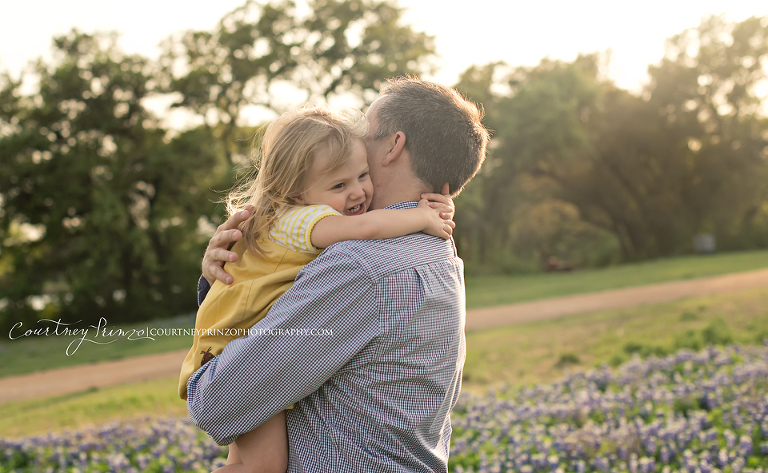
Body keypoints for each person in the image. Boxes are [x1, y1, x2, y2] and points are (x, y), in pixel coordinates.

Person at [188, 77, 490, 473]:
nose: (349, 142)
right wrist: (232, 268)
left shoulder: (360, 267)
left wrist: (222, 292)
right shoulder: (440, 250)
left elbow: (219, 401)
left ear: (394, 146)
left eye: (363, 131)